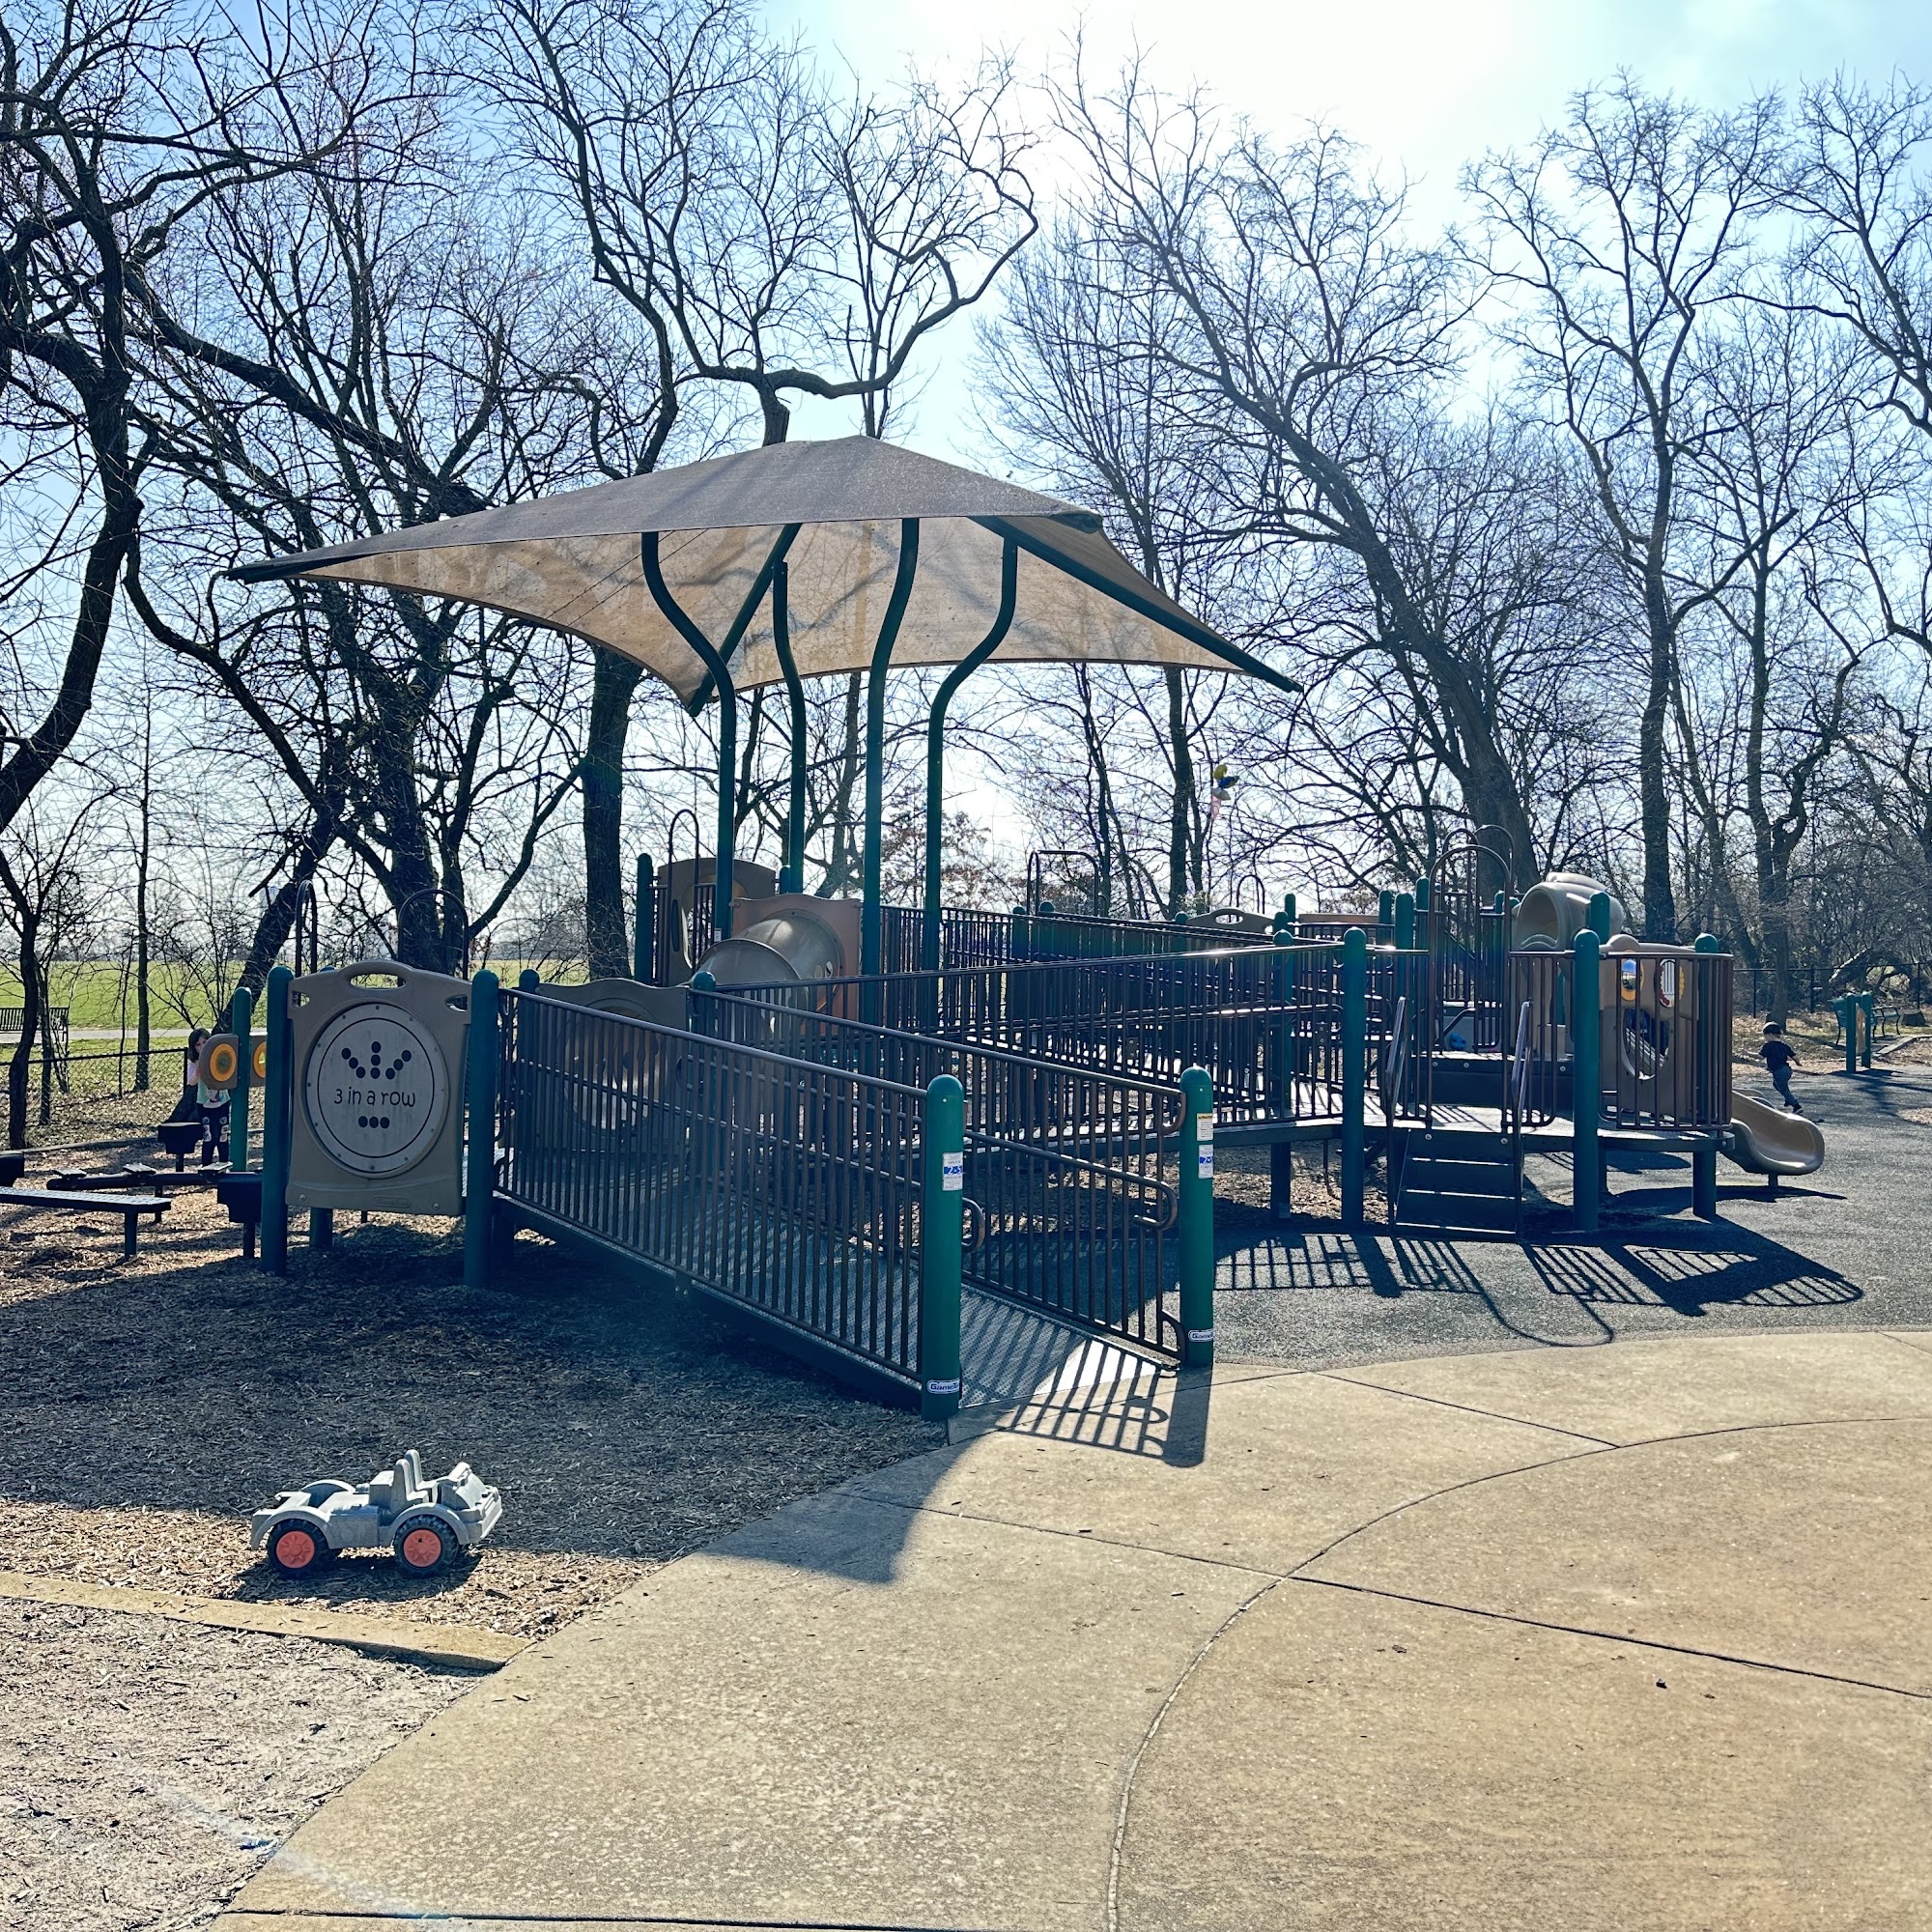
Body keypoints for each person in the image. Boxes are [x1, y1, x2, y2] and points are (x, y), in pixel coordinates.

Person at [1759, 1022, 1802, 1112]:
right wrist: (1798, 1063)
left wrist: (1748, 1053)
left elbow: (1761, 1056)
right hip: (1787, 1070)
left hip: (1778, 1071)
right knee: (1776, 1084)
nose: (1765, 1038)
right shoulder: (1784, 1046)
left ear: (1770, 1035)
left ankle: (1796, 1106)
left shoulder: (1768, 1046)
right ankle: (1788, 1099)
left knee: (1783, 1088)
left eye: (1765, 1036)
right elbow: (1795, 1057)